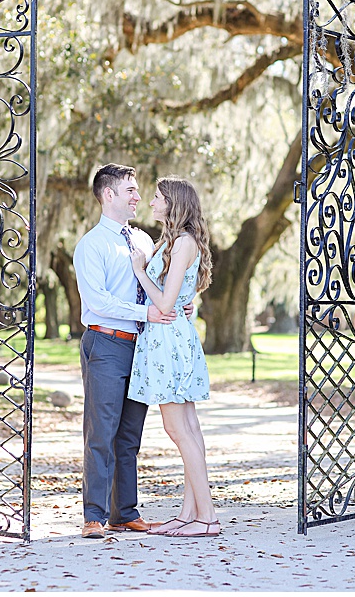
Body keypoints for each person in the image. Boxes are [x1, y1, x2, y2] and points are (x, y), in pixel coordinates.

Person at [72, 163, 193, 539]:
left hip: (142, 347)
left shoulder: (143, 240)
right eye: (130, 190)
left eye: (139, 190)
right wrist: (148, 311)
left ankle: (124, 512)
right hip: (106, 343)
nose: (138, 197)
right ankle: (94, 515)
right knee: (101, 433)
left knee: (129, 436)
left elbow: (165, 282)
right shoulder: (91, 245)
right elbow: (98, 300)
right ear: (108, 194)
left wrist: (183, 304)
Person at [127, 177, 220, 537]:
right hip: (170, 336)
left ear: (173, 203)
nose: (150, 202)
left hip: (169, 340)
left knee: (177, 428)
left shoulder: (182, 242)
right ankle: (189, 513)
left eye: (156, 197)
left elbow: (164, 303)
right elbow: (180, 298)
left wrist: (139, 271)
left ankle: (208, 518)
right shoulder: (173, 241)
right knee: (189, 430)